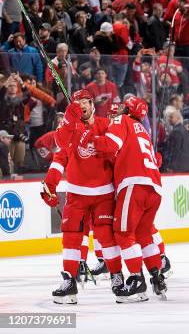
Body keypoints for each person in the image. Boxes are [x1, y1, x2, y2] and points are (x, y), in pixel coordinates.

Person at [77, 96, 167, 302]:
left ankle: (137, 280)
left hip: (134, 184)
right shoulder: (142, 129)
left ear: (126, 109)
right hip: (155, 187)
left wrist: (90, 136)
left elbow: (110, 144)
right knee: (144, 233)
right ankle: (157, 276)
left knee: (123, 233)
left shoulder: (122, 121)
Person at [43, 90, 123, 304]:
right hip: (76, 194)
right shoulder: (69, 128)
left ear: (92, 104)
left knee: (106, 237)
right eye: (78, 102)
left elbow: (117, 151)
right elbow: (59, 155)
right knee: (71, 237)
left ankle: (117, 276)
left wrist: (95, 139)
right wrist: (50, 185)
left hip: (104, 194)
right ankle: (69, 281)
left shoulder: (105, 125)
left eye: (85, 101)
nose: (82, 105)